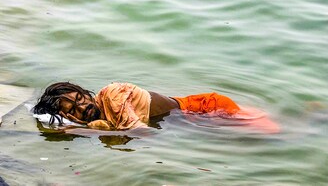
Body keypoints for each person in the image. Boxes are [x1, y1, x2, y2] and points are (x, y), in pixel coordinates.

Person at [33, 82, 280, 133]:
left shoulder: (113, 96)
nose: (83, 107)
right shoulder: (94, 117)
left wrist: (83, 131)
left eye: (80, 98)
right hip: (192, 119)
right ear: (65, 114)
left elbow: (143, 132)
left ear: (86, 93)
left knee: (275, 136)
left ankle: (313, 116)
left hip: (207, 108)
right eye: (73, 108)